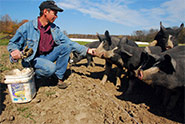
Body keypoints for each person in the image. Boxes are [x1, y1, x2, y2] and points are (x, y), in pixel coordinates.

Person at [7, 0, 96, 89]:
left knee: (66, 47)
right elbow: (13, 43)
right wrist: (15, 50)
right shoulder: (27, 27)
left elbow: (69, 42)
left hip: (48, 56)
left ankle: (58, 78)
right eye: (54, 13)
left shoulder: (54, 29)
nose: (56, 16)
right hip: (33, 59)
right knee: (51, 68)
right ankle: (34, 76)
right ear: (45, 12)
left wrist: (87, 50)